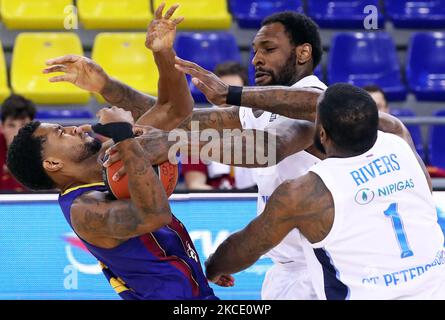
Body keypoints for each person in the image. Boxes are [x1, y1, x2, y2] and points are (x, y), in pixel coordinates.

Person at [45, 10, 326, 300]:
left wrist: (173, 143)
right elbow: (174, 114)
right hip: (286, 270)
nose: (256, 59)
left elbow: (269, 147)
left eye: (268, 49)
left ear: (303, 53)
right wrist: (106, 85)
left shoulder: (314, 102)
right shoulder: (258, 109)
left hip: (323, 265)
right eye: (254, 50)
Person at [6, 4, 217, 300]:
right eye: (62, 133)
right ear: (53, 163)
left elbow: (175, 109)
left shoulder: (109, 154)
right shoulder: (83, 211)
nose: (77, 128)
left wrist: (163, 53)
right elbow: (155, 214)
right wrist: (123, 134)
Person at [205, 83, 445, 300]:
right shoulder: (399, 139)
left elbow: (247, 246)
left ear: (321, 134)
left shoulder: (308, 191)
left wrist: (214, 267)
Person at [181, 62, 255, 191]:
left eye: (234, 91)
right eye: (221, 91)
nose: (227, 98)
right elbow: (195, 185)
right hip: (215, 204)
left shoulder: (260, 127)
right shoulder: (196, 133)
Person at [0, 94, 36, 192]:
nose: (17, 132)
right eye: (11, 125)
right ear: (2, 127)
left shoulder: (45, 151)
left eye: (23, 125)